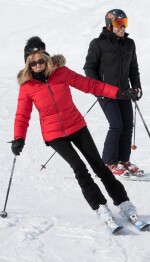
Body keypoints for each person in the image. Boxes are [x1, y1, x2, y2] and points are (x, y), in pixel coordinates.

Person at [11, 36, 141, 234]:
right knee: (80, 168)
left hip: (77, 126)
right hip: (54, 135)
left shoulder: (61, 73)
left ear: (47, 59)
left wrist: (119, 93)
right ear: (28, 64)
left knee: (98, 165)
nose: (38, 65)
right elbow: (22, 115)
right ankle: (100, 208)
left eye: (41, 60)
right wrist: (19, 137)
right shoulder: (27, 87)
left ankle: (124, 203)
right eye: (33, 62)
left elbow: (91, 85)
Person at [84, 9, 142, 176]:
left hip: (124, 92)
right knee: (116, 125)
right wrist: (98, 89)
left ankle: (123, 160)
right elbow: (89, 68)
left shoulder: (129, 44)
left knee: (127, 125)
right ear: (109, 25)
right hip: (105, 92)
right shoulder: (98, 44)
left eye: (125, 23)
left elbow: (133, 68)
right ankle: (109, 162)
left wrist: (136, 87)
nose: (122, 27)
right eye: (118, 23)